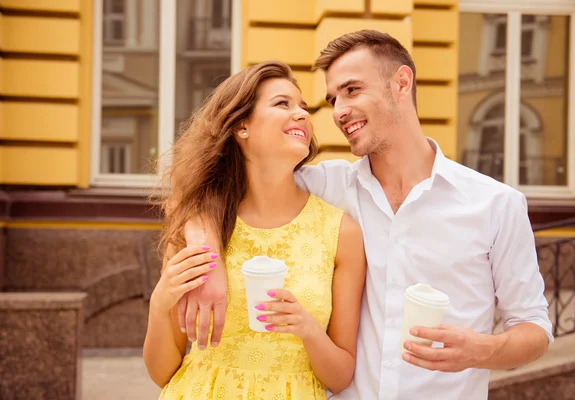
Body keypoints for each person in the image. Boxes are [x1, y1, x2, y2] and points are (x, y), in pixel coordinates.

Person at [182, 30, 553, 399]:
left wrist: (481, 350)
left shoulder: (495, 204)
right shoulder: (325, 187)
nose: (339, 111)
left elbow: (534, 328)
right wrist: (209, 260)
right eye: (332, 99)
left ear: (401, 83)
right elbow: (212, 189)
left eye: (352, 90)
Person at [143, 61, 366, 399]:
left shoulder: (340, 233)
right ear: (241, 126)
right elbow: (163, 374)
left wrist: (307, 330)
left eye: (304, 108)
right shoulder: (201, 227)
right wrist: (159, 304)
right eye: (283, 104)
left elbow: (341, 376)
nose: (303, 115)